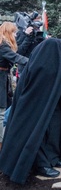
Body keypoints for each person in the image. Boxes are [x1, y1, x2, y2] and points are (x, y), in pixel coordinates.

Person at [0, 30, 61, 184]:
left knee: (55, 128)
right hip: (35, 99)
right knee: (38, 130)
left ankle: (52, 158)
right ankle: (41, 165)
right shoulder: (50, 45)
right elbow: (41, 70)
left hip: (50, 100)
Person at [0, 22, 29, 151]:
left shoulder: (4, 45)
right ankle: (1, 143)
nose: (15, 34)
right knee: (1, 113)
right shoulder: (3, 45)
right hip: (1, 79)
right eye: (13, 32)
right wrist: (35, 61)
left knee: (7, 109)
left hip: (3, 78)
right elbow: (16, 57)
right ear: (7, 32)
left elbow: (19, 52)